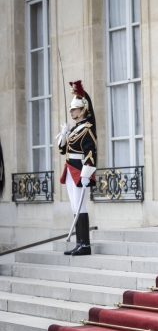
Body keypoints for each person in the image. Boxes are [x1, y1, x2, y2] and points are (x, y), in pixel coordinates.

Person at [57, 81, 97, 256]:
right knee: (74, 207)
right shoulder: (74, 129)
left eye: (74, 109)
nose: (71, 111)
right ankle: (79, 243)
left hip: (80, 171)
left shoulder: (87, 129)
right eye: (71, 109)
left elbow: (90, 152)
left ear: (82, 111)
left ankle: (85, 245)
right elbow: (62, 150)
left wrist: (87, 173)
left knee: (81, 207)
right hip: (69, 170)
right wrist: (64, 134)